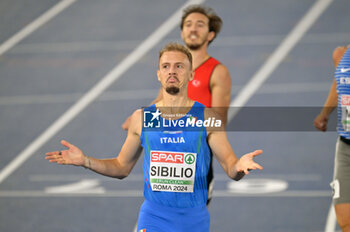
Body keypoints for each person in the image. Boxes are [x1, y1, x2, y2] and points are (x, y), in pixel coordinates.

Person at [46, 43, 262, 232]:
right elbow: (121, 167)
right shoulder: (141, 118)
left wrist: (240, 166)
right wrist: (86, 161)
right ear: (158, 74)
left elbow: (230, 165)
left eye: (179, 66)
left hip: (194, 218)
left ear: (191, 74)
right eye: (165, 66)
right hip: (154, 216)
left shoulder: (207, 117)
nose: (172, 71)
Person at [122, 4, 232, 206]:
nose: (193, 29)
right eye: (188, 25)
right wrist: (141, 117)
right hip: (167, 151)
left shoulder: (217, 71)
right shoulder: (173, 72)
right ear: (182, 32)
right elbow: (160, 102)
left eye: (200, 25)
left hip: (195, 153)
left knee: (191, 215)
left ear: (210, 35)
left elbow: (219, 121)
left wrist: (186, 126)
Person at [314, 45, 350, 232]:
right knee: (345, 221)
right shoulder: (341, 54)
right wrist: (325, 113)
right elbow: (338, 85)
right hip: (345, 147)